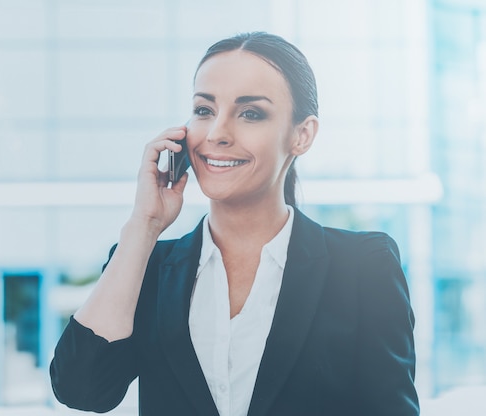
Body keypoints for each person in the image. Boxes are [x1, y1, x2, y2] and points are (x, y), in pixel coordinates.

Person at [50, 32, 419, 416]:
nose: (216, 134)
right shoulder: (148, 265)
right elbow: (81, 390)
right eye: (204, 110)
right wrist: (144, 225)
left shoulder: (362, 265)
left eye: (250, 113)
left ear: (302, 134)